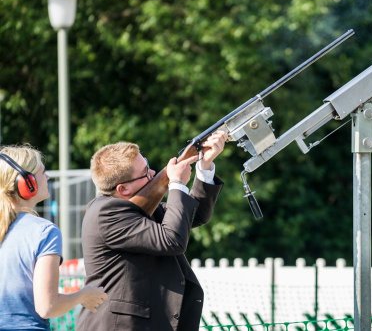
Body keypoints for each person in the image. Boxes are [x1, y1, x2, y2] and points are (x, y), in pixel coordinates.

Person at [77, 131, 227, 331]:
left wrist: (204, 167)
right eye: (145, 171)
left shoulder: (139, 208)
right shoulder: (106, 213)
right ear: (122, 189)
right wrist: (176, 184)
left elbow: (193, 215)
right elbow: (171, 240)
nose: (153, 173)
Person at [0, 145, 108, 330]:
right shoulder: (44, 231)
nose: (48, 177)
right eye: (43, 172)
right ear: (27, 183)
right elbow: (47, 307)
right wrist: (84, 295)